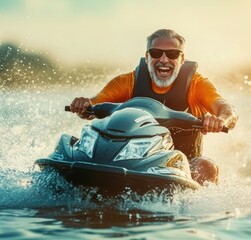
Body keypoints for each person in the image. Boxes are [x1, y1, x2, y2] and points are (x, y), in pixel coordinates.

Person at [68, 29, 238, 185]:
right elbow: (94, 104)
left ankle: (195, 212)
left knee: (206, 166)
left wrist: (220, 120)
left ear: (182, 59)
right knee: (74, 144)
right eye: (156, 53)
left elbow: (228, 110)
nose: (164, 60)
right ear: (147, 57)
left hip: (180, 167)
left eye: (172, 54)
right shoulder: (128, 82)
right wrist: (84, 106)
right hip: (132, 159)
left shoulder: (197, 85)